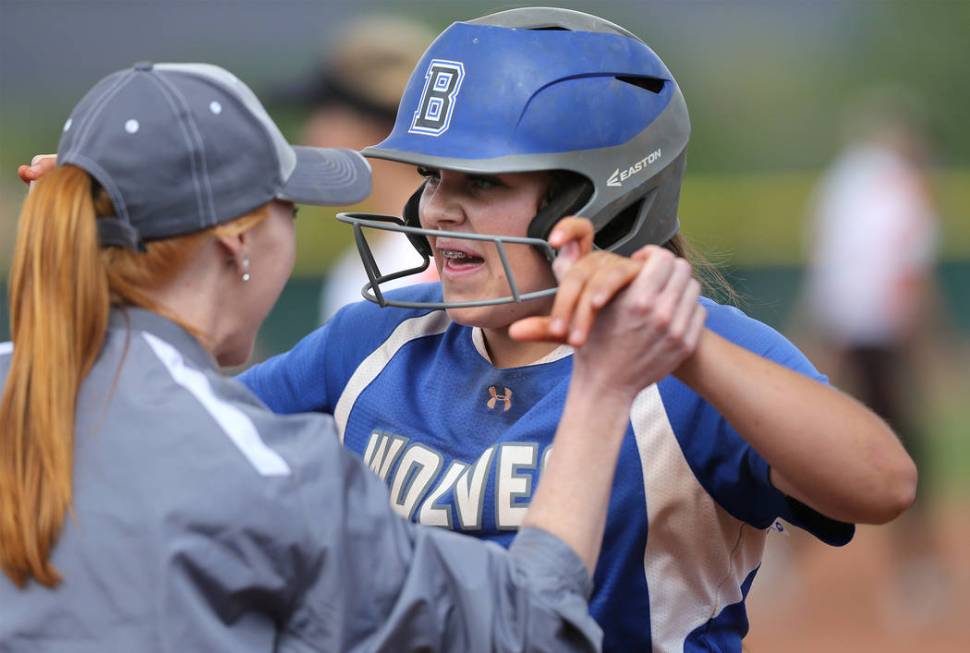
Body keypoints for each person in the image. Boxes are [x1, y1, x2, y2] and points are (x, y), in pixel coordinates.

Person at [232, 8, 918, 652]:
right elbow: (192, 433)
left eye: (482, 183)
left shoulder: (683, 358)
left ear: (599, 200)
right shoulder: (374, 338)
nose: (437, 209)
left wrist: (689, 350)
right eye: (434, 177)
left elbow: (882, 483)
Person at [0, 61, 694, 652]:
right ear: (237, 243)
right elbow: (536, 629)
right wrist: (601, 389)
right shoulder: (277, 476)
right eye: (290, 208)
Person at [276, 15, 439, 321]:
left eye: (322, 114)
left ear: (367, 121)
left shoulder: (439, 262)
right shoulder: (359, 263)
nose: (308, 137)